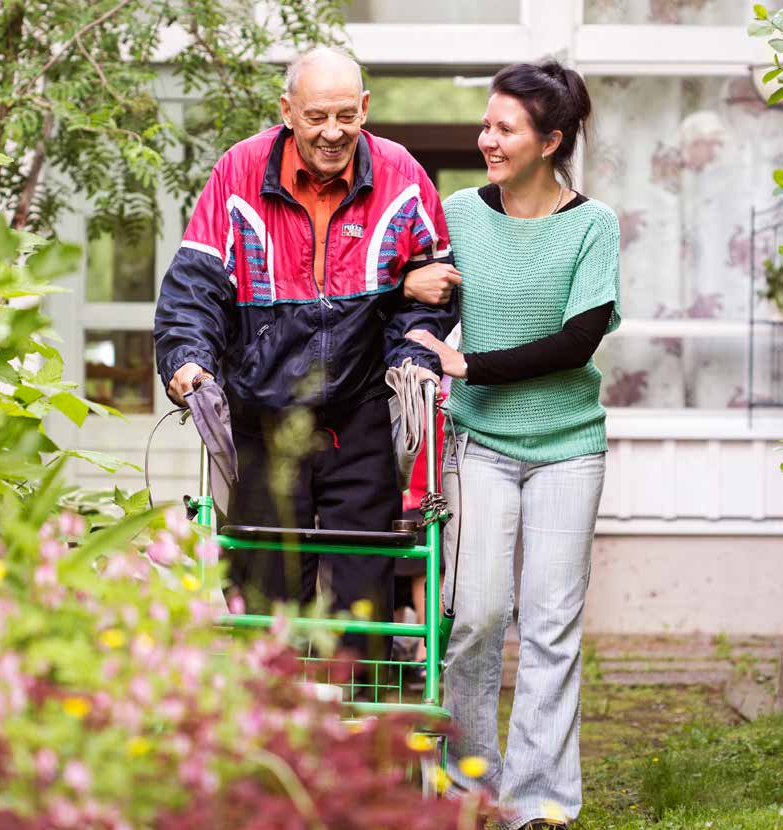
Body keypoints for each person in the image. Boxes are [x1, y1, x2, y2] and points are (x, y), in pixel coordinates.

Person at [153, 46, 460, 651]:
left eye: (346, 115)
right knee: (266, 589)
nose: (332, 132)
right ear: (286, 110)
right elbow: (196, 287)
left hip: (360, 412)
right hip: (262, 413)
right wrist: (188, 358)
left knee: (361, 593)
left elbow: (432, 291)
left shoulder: (402, 176)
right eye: (317, 116)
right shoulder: (238, 172)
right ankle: (270, 728)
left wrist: (411, 360)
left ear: (365, 108)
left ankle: (357, 728)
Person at [406, 61, 621, 830]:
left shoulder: (592, 225)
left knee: (551, 624)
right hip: (480, 445)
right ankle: (471, 795)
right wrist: (412, 290)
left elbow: (578, 339)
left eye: (505, 128)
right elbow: (410, 278)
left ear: (550, 141)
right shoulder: (459, 212)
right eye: (486, 124)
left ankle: (540, 805)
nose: (486, 139)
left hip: (568, 447)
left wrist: (469, 363)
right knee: (474, 617)